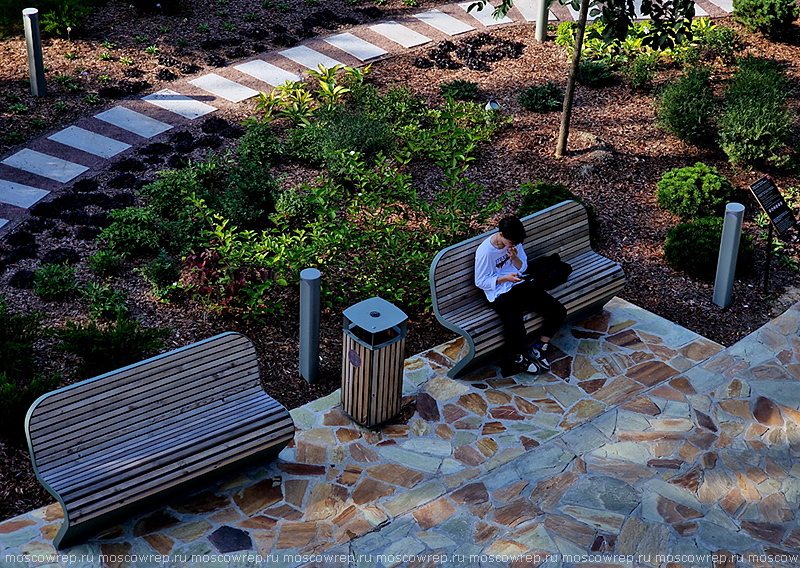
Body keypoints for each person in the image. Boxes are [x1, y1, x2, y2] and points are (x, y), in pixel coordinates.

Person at [474, 215, 567, 374]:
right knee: (515, 328)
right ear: (501, 235)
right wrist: (504, 278)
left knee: (558, 311)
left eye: (517, 243)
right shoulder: (485, 252)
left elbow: (522, 267)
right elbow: (480, 281)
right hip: (498, 292)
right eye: (511, 243)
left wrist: (515, 257)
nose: (514, 245)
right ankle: (517, 357)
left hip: (518, 283)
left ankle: (539, 347)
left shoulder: (515, 242)